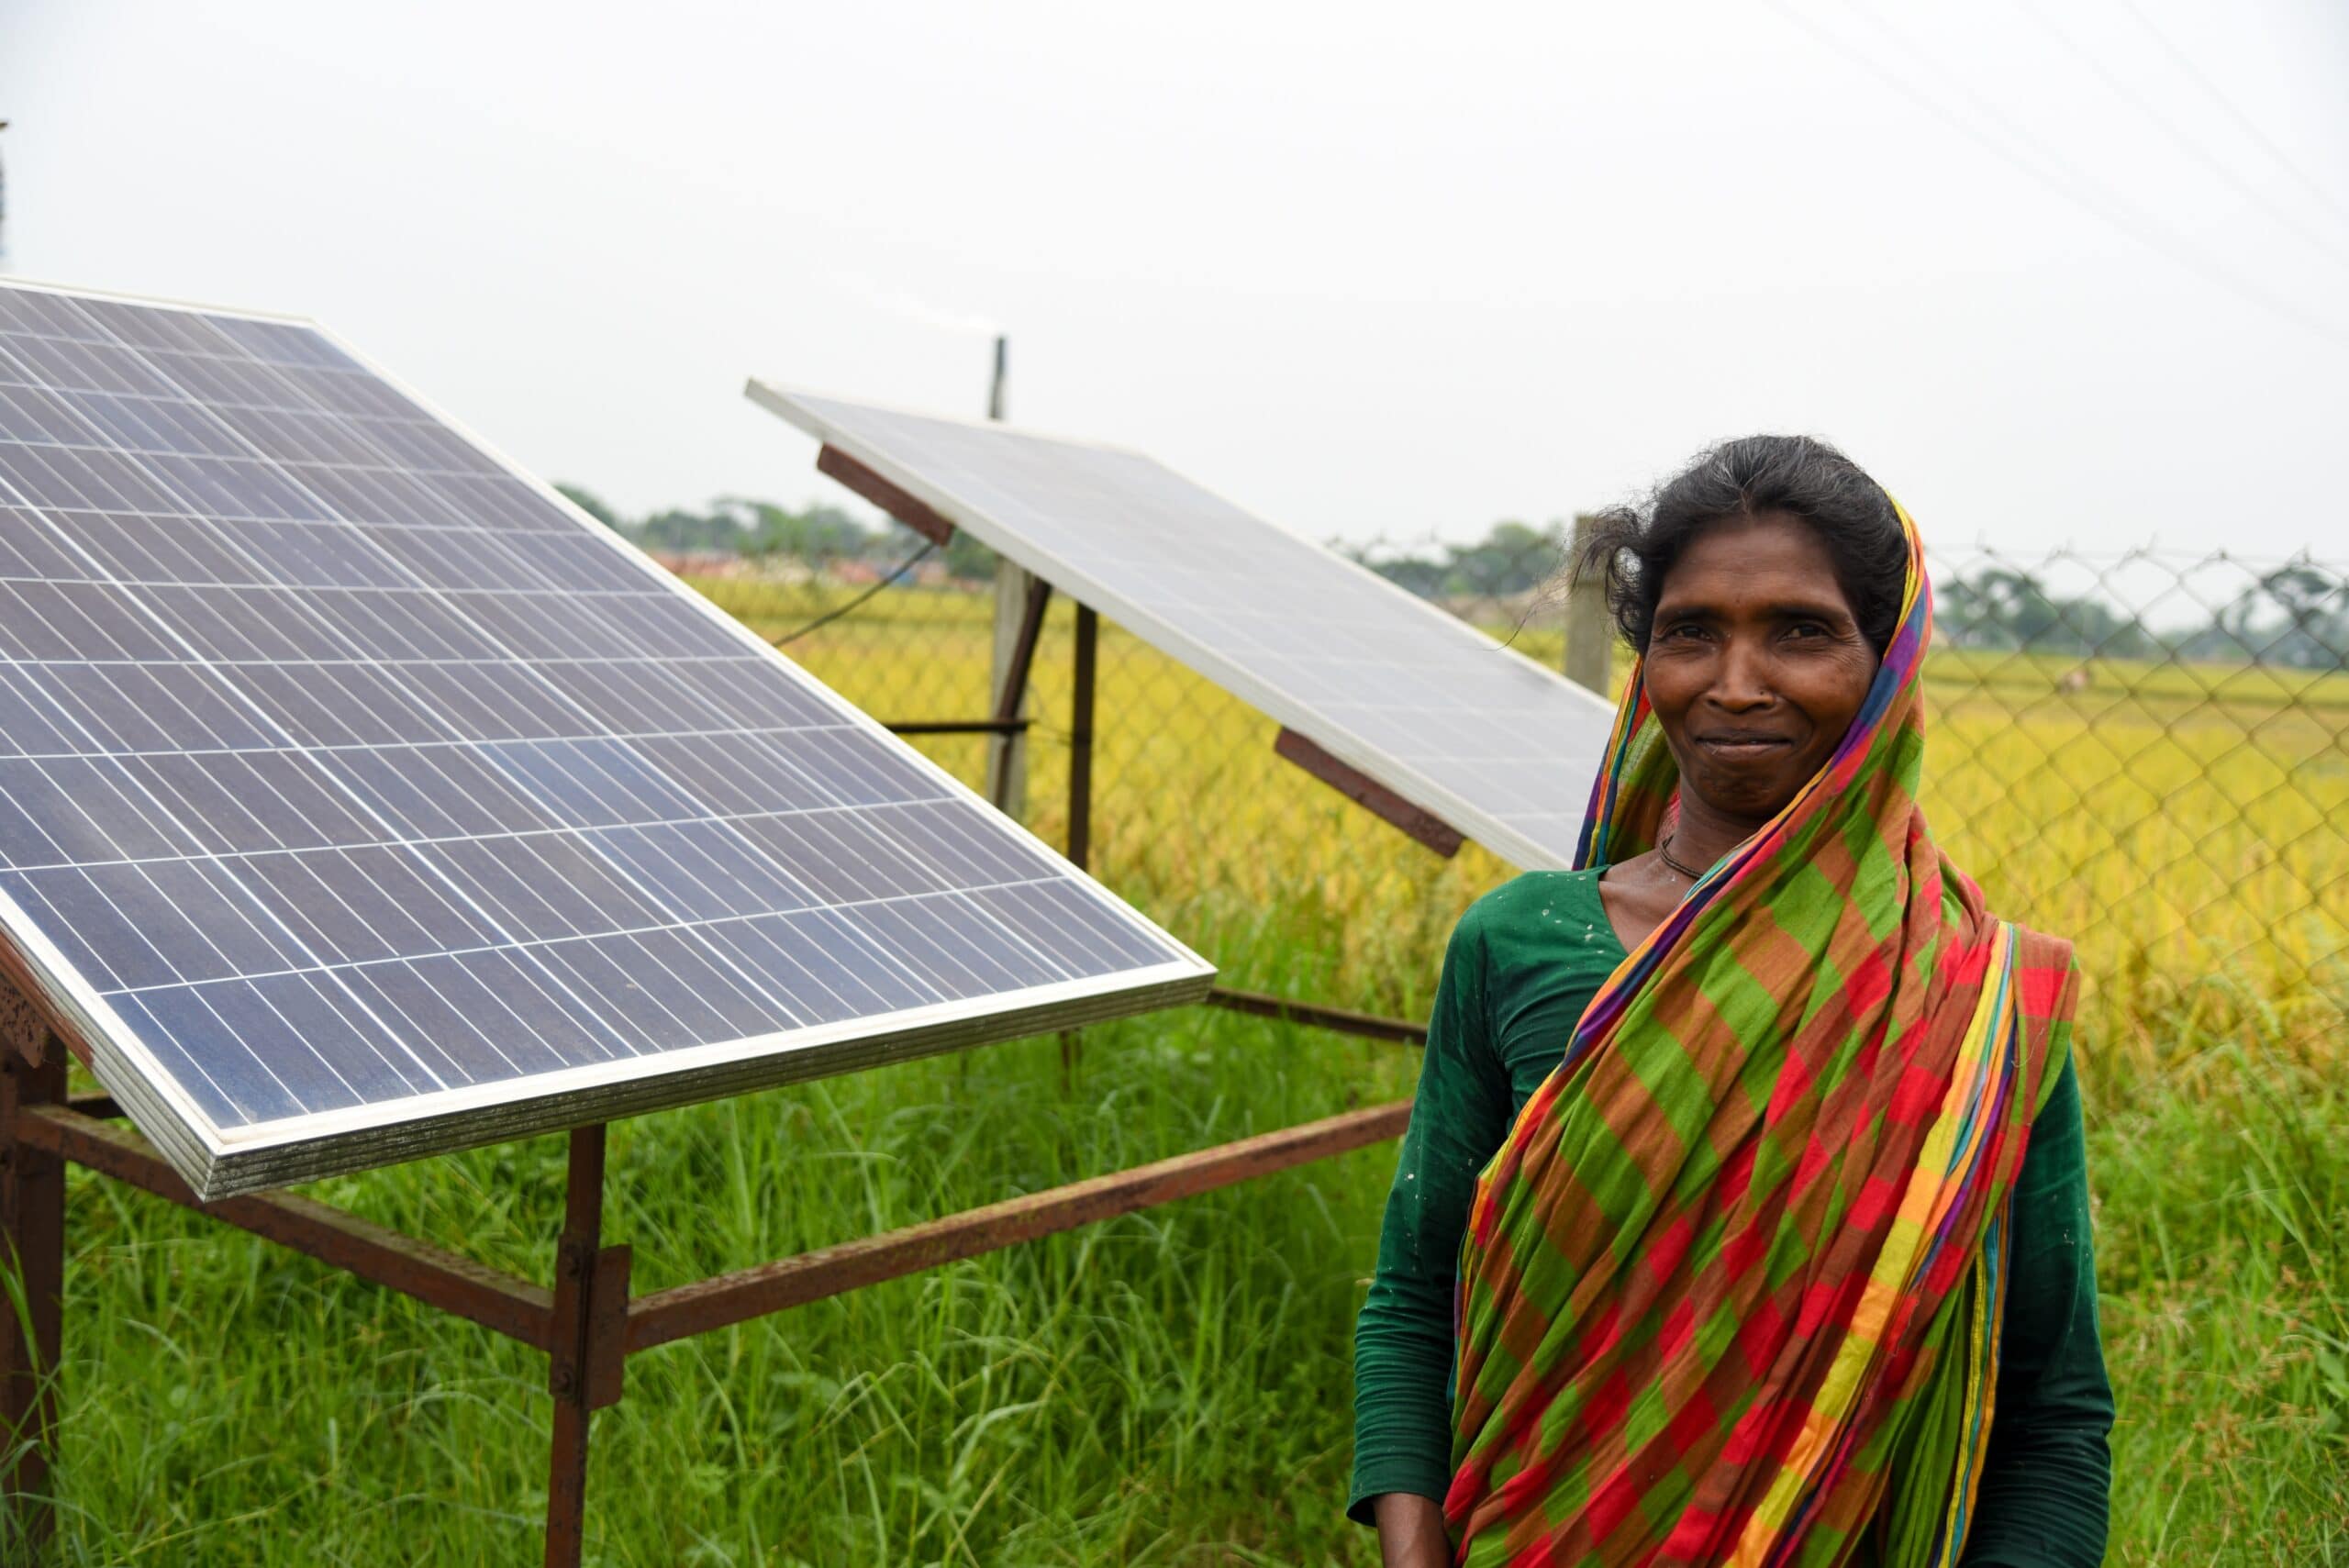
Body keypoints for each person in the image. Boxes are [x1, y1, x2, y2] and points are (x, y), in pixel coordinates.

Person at [1348, 437, 2113, 1567]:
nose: (1736, 681)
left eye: (1800, 631)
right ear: (1645, 658)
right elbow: (1418, 1298)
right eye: (1690, 630)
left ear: (1886, 660)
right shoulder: (1515, 940)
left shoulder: (1981, 1002)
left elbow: (2048, 1405)